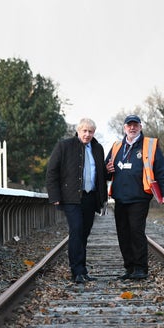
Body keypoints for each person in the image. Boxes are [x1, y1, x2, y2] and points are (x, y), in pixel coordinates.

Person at [105, 114, 164, 280]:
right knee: (123, 233)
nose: (132, 128)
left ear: (140, 127)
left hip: (140, 196)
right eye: (129, 125)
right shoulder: (116, 147)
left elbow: (161, 170)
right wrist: (107, 170)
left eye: (135, 125)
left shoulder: (150, 145)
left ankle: (140, 268)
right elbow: (106, 171)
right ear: (124, 128)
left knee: (136, 232)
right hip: (120, 197)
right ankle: (129, 268)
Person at [46, 118, 108, 284]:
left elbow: (100, 174)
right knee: (76, 230)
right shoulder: (64, 146)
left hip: (90, 197)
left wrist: (103, 198)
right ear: (78, 131)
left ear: (94, 133)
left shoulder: (98, 148)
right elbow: (52, 172)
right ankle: (77, 271)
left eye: (91, 131)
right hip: (71, 198)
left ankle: (83, 270)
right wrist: (55, 196)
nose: (87, 134)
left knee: (84, 234)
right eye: (84, 131)